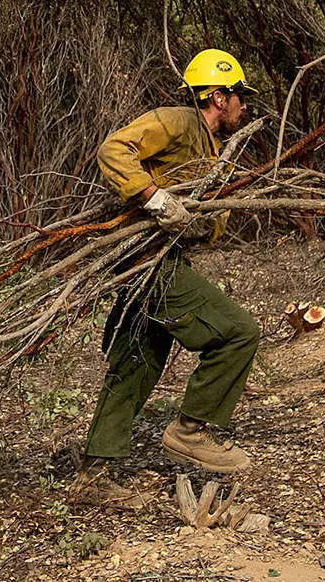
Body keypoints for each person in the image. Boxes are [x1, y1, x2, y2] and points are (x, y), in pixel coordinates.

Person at [76, 49, 262, 490]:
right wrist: (154, 199)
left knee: (136, 362)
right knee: (239, 332)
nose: (244, 107)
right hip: (148, 264)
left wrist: (199, 223)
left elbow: (208, 224)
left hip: (158, 260)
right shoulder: (176, 120)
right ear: (219, 97)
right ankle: (190, 430)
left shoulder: (216, 148)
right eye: (239, 97)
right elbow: (114, 149)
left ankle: (92, 478)